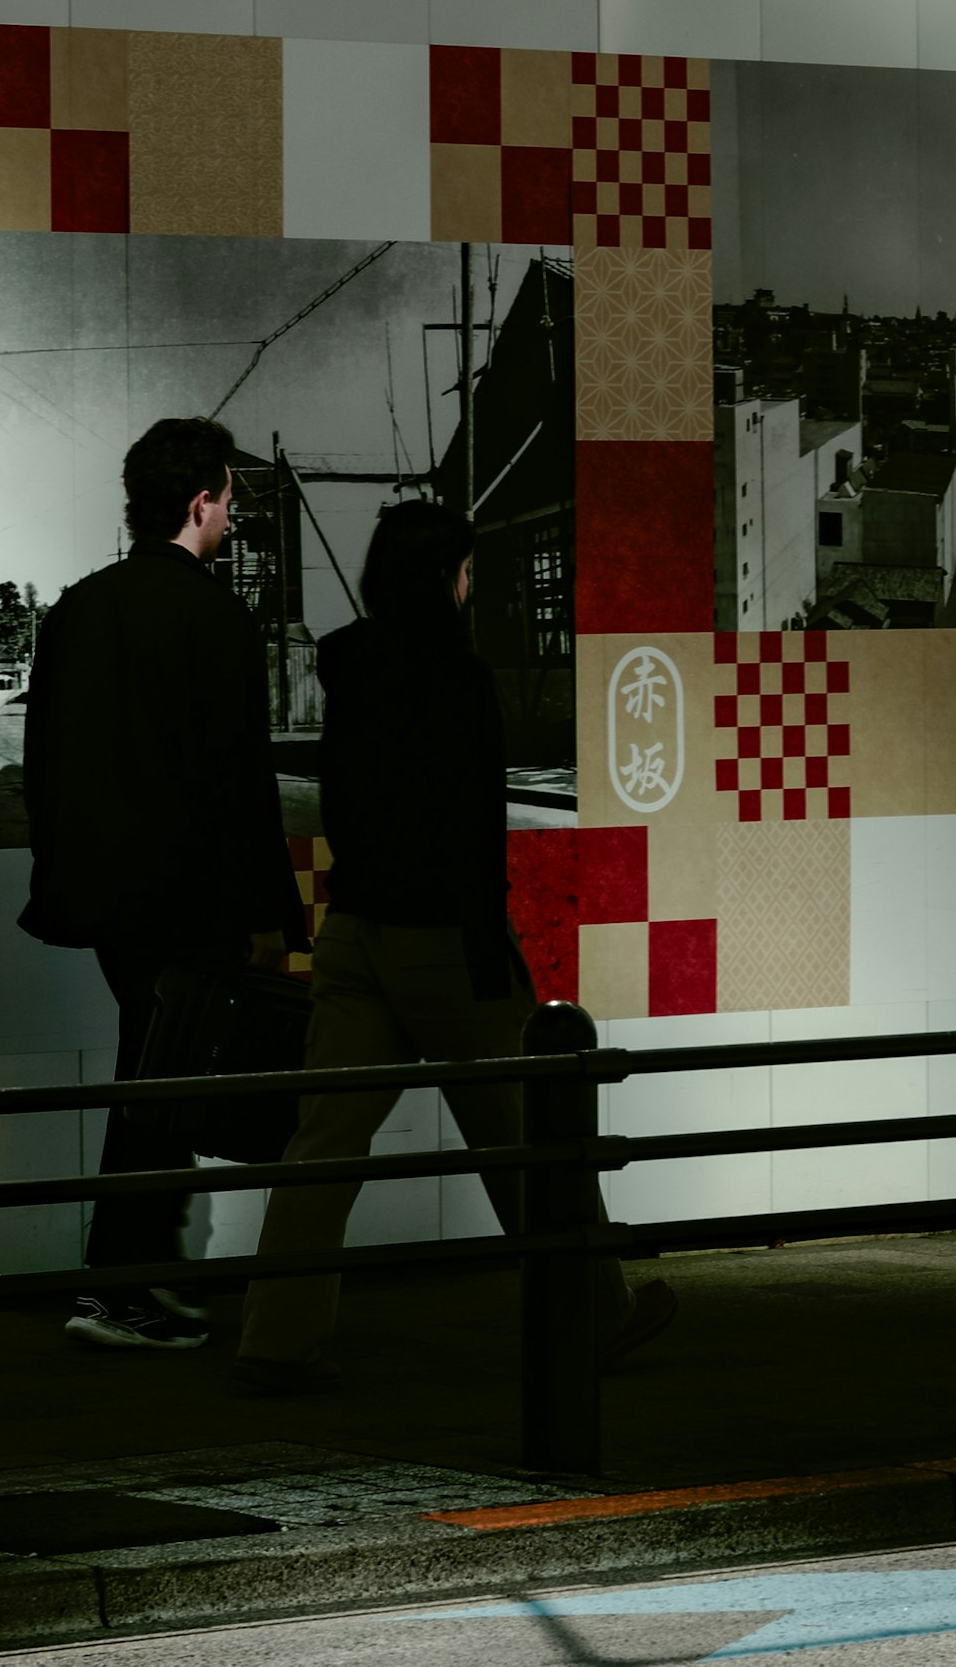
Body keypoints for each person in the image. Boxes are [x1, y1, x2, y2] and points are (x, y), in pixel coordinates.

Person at [233, 501, 673, 1391]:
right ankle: (592, 1319)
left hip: (358, 932)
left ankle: (273, 1346)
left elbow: (350, 800)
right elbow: (473, 831)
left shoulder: (348, 663)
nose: (472, 586)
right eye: (467, 571)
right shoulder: (459, 677)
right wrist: (496, 953)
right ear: (447, 576)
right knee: (528, 1142)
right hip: (446, 941)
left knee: (321, 1151)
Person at [20, 416, 303, 1352]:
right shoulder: (215, 618)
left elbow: (44, 765)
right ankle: (116, 1288)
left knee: (152, 1069)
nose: (231, 519)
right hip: (191, 900)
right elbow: (238, 781)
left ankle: (127, 1280)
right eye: (227, 501)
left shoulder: (77, 609)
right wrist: (272, 914)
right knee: (157, 1081)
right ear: (199, 501)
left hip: (105, 902)